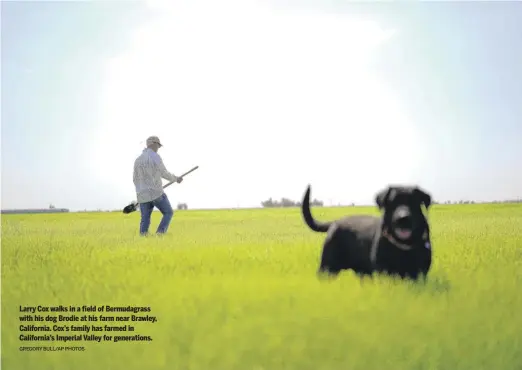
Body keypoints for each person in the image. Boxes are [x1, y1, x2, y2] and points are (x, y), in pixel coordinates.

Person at [133, 136, 182, 236]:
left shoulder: (138, 160)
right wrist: (175, 179)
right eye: (158, 145)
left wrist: (140, 192)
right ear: (153, 144)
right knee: (168, 212)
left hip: (142, 194)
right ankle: (160, 234)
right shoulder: (155, 156)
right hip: (156, 193)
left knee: (145, 219)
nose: (158, 148)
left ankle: (143, 237)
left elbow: (135, 179)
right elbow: (163, 173)